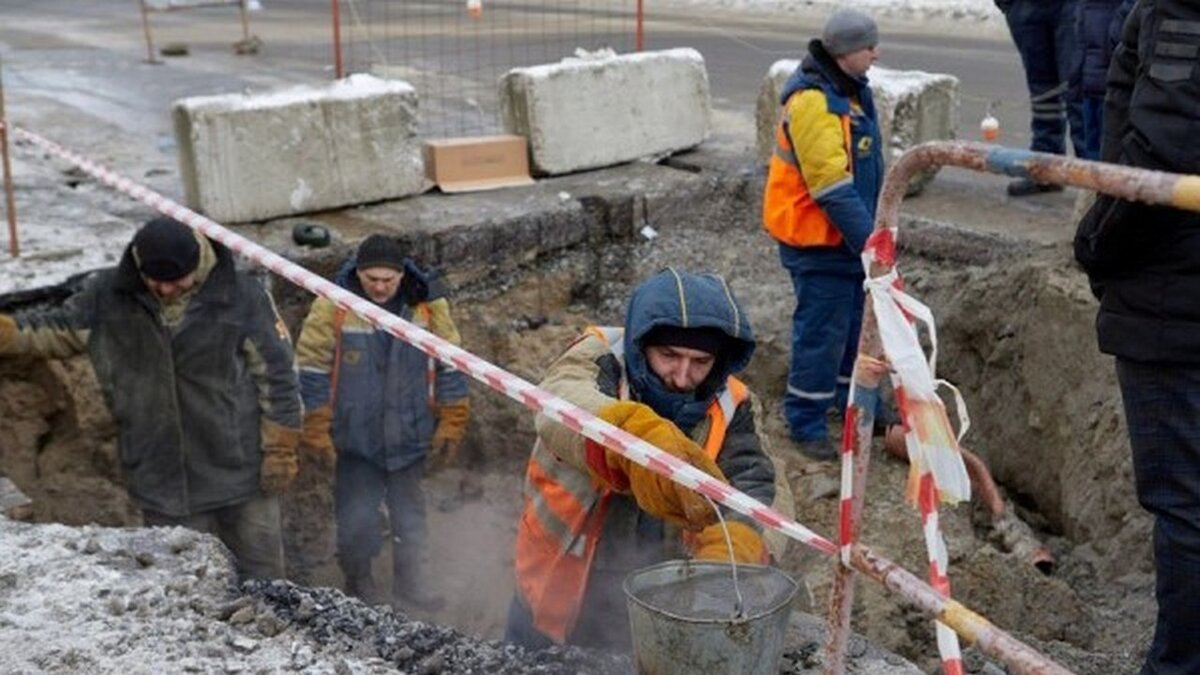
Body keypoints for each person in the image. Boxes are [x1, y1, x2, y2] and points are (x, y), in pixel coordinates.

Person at [0, 215, 302, 580]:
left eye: (177, 282)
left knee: (265, 578)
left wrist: (281, 448)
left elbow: (278, 376)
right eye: (156, 281)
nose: (166, 290)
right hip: (163, 481)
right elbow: (54, 330)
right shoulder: (108, 296)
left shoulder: (241, 296)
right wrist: (9, 333)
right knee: (186, 586)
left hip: (240, 471)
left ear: (198, 265)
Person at [504, 268, 788, 651]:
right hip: (558, 579)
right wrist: (634, 438)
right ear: (641, 345)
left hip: (660, 587)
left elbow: (758, 483)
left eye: (700, 361)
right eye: (669, 355)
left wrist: (732, 547)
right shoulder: (597, 358)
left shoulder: (731, 403)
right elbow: (562, 404)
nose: (683, 377)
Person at [1073, 1, 1200, 672]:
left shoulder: (1179, 10)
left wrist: (1099, 244)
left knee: (1184, 502)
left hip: (1172, 297)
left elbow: (1161, 154)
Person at [295, 234, 469, 611]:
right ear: (358, 273)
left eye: (386, 280)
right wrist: (316, 426)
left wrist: (452, 419)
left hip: (409, 438)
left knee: (411, 523)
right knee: (356, 522)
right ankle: (359, 584)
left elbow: (451, 364)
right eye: (370, 278)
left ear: (401, 275)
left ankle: (412, 586)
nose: (378, 287)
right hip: (355, 442)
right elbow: (310, 367)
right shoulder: (334, 305)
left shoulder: (426, 308)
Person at [762, 8, 884, 460]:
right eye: (870, 46)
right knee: (822, 332)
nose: (877, 52)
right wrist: (873, 243)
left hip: (844, 241)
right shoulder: (814, 101)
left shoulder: (851, 91)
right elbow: (831, 188)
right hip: (817, 242)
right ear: (848, 52)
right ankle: (806, 422)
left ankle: (845, 398)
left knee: (853, 325)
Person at [995, 0, 1086, 195]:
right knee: (1043, 93)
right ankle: (1045, 170)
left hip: (1071, 7)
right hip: (1024, 8)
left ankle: (1095, 180)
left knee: (1077, 90)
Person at [1075, 0, 1126, 160]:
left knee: (1110, 151)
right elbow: (1079, 45)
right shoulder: (1083, 6)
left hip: (1112, 89)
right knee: (1093, 148)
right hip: (1090, 87)